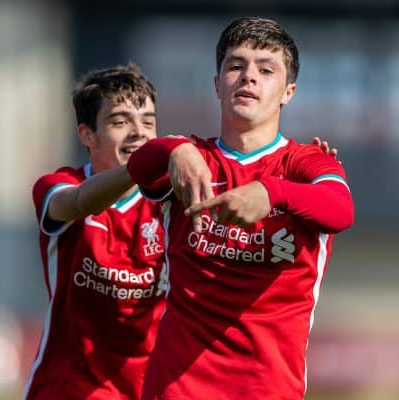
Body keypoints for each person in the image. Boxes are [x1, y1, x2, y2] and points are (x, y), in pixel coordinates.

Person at [127, 17, 355, 400]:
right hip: (176, 388)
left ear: (288, 92)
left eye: (266, 70)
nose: (248, 77)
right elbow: (138, 167)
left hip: (267, 388)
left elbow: (340, 210)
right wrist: (173, 148)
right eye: (236, 66)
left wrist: (272, 192)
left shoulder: (306, 165)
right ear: (217, 84)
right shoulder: (191, 158)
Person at [24, 64, 168, 400]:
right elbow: (74, 203)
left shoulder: (171, 201)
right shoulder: (58, 185)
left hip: (149, 388)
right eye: (120, 122)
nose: (139, 133)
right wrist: (141, 168)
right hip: (66, 388)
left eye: (148, 121)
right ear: (87, 135)